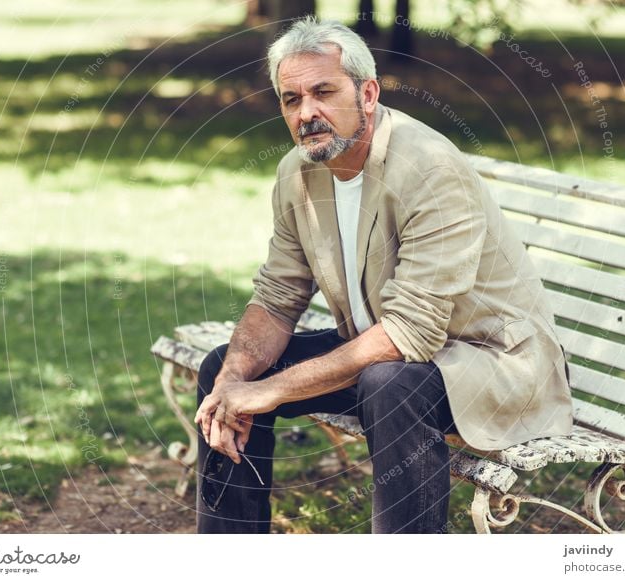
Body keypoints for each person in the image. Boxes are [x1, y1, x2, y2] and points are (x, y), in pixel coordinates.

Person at [193, 16, 572, 534]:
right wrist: (236, 381)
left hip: (493, 364)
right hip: (392, 356)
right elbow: (278, 297)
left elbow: (411, 333)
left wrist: (274, 390)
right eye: (291, 99)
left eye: (324, 91)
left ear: (367, 93)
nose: (308, 113)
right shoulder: (296, 175)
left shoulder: (429, 169)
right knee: (226, 366)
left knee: (389, 381)